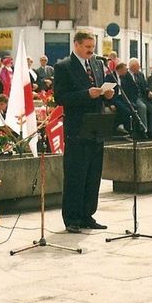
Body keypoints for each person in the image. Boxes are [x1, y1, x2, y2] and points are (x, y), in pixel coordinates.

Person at [53, 30, 114, 234]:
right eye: (87, 47)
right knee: (76, 174)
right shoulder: (63, 67)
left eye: (92, 47)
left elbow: (99, 91)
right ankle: (72, 218)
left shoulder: (97, 64)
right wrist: (86, 94)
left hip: (96, 124)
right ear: (76, 45)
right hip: (77, 126)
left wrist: (107, 94)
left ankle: (88, 214)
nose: (91, 50)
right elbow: (60, 98)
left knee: (93, 173)